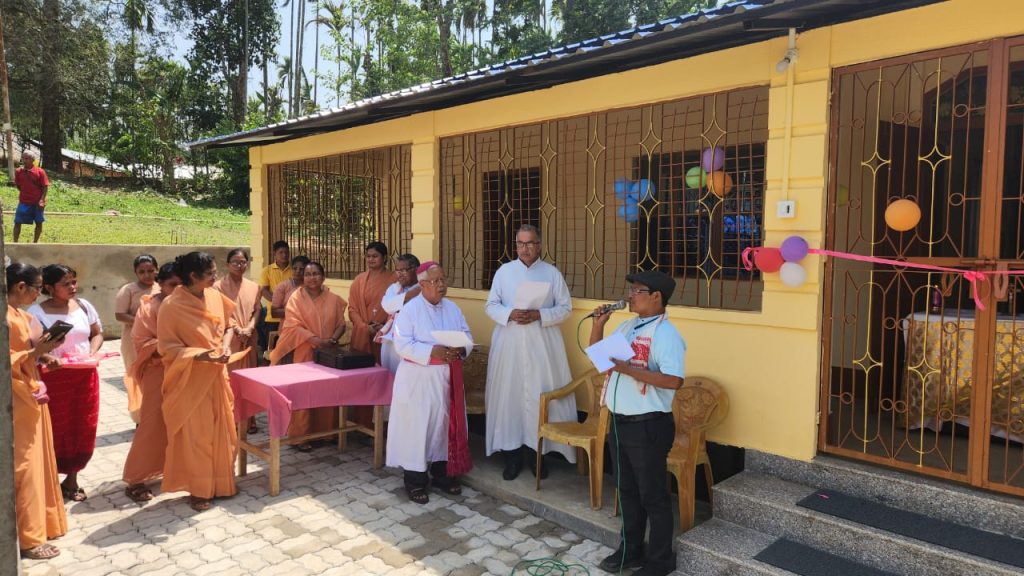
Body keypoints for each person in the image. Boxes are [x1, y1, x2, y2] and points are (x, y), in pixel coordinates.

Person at [589, 270, 685, 576]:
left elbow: (674, 380)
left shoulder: (666, 334)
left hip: (649, 425)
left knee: (652, 495)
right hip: (621, 422)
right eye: (630, 290)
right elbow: (602, 361)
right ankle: (631, 549)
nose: (630, 296)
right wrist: (598, 326)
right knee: (627, 491)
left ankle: (660, 560)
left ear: (656, 297)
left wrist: (629, 370)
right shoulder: (629, 326)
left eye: (637, 291)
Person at [485, 224, 575, 480]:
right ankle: (512, 458)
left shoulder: (551, 274)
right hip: (509, 345)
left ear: (539, 245)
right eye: (521, 243)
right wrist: (510, 313)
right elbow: (491, 306)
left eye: (530, 243)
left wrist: (539, 315)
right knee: (510, 398)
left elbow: (565, 308)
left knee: (539, 396)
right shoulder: (504, 272)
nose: (525, 248)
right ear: (516, 245)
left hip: (541, 346)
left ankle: (538, 457)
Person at [386, 261, 473, 505]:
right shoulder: (409, 310)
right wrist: (432, 352)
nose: (442, 285)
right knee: (418, 429)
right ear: (423, 285)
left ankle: (443, 475)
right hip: (418, 380)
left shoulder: (453, 308)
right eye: (436, 281)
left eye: (443, 280)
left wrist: (461, 349)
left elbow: (466, 335)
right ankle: (415, 481)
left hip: (446, 379)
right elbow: (402, 345)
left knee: (443, 427)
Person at [158, 251, 237, 512]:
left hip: (217, 375)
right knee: (198, 438)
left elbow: (229, 326)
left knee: (223, 432)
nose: (216, 277)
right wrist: (201, 355)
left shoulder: (214, 296)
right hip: (190, 380)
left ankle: (222, 484)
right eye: (211, 273)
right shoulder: (171, 306)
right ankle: (199, 490)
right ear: (193, 276)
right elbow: (167, 348)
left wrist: (225, 347)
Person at [7, 262, 68, 560]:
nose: (38, 294)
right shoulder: (6, 317)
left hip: (30, 391)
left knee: (38, 460)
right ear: (20, 287)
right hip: (15, 398)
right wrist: (35, 353)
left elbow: (27, 352)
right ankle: (28, 539)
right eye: (37, 288)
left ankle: (42, 523)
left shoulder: (22, 315)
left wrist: (43, 357)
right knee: (25, 465)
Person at [28, 264, 103, 503]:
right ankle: (49, 481)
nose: (73, 287)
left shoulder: (84, 306)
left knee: (82, 424)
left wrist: (92, 352)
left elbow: (97, 333)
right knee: (54, 428)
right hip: (53, 379)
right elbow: (32, 347)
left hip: (85, 377)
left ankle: (72, 479)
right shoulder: (35, 313)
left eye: (74, 281)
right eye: (66, 283)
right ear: (49, 287)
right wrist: (48, 358)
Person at [269, 261, 348, 450]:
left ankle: (327, 432)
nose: (311, 278)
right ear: (303, 278)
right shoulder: (296, 298)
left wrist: (332, 340)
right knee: (303, 393)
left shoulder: (333, 299)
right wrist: (316, 340)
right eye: (307, 274)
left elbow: (341, 324)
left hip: (327, 353)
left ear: (323, 277)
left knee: (327, 391)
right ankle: (300, 437)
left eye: (315, 274)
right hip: (304, 351)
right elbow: (292, 325)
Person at [122, 264, 181, 503]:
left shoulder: (184, 304)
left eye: (181, 285)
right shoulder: (148, 307)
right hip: (157, 371)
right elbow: (140, 341)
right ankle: (136, 478)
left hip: (183, 371)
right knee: (152, 423)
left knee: (179, 422)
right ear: (161, 284)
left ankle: (174, 468)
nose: (177, 289)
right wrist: (171, 345)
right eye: (172, 285)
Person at [214, 248, 261, 434]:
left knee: (250, 378)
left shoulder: (254, 286)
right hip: (229, 338)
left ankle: (250, 419)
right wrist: (237, 329)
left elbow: (257, 310)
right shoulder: (217, 287)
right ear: (227, 264)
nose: (239, 265)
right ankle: (231, 419)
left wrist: (249, 328)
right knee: (230, 380)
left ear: (247, 264)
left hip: (249, 337)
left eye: (242, 262)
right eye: (235, 262)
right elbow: (220, 312)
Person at [115, 254, 159, 422]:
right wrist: (143, 322)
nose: (147, 275)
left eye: (150, 271)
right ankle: (140, 418)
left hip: (157, 339)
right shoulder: (128, 290)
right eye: (142, 272)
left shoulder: (161, 287)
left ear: (157, 270)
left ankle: (155, 417)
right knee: (137, 376)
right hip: (134, 341)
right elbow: (120, 314)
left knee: (155, 377)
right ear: (135, 272)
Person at [348, 241, 394, 357]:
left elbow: (399, 308)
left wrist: (385, 327)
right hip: (362, 333)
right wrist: (364, 327)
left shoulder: (395, 279)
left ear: (384, 258)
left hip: (384, 332)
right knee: (361, 364)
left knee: (382, 363)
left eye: (375, 256)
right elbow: (352, 308)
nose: (370, 259)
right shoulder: (359, 280)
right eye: (368, 256)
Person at [378, 253, 421, 374]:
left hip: (413, 340)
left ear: (415, 269)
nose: (400, 274)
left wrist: (417, 291)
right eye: (397, 270)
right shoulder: (394, 288)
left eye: (403, 270)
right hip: (391, 341)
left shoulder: (425, 288)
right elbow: (388, 306)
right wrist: (412, 294)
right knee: (389, 374)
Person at [258, 240, 291, 355]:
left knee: (287, 350)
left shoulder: (294, 270)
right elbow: (264, 290)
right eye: (281, 252)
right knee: (272, 351)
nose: (284, 255)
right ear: (274, 254)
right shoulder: (267, 270)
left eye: (286, 252)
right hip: (272, 317)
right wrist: (278, 303)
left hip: (290, 317)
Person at [13, 151, 49, 243]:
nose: (24, 160)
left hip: (37, 202)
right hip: (23, 202)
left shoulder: (40, 172)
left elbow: (45, 186)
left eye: (27, 158)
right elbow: (18, 186)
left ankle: (35, 242)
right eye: (23, 158)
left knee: (39, 222)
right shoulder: (18, 171)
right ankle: (15, 242)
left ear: (32, 160)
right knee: (17, 222)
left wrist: (42, 200)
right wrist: (26, 193)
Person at [270, 255, 311, 322]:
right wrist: (297, 312)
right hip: (288, 326)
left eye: (301, 269)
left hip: (308, 326)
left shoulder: (312, 287)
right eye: (295, 268)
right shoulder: (282, 286)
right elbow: (274, 313)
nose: (297, 271)